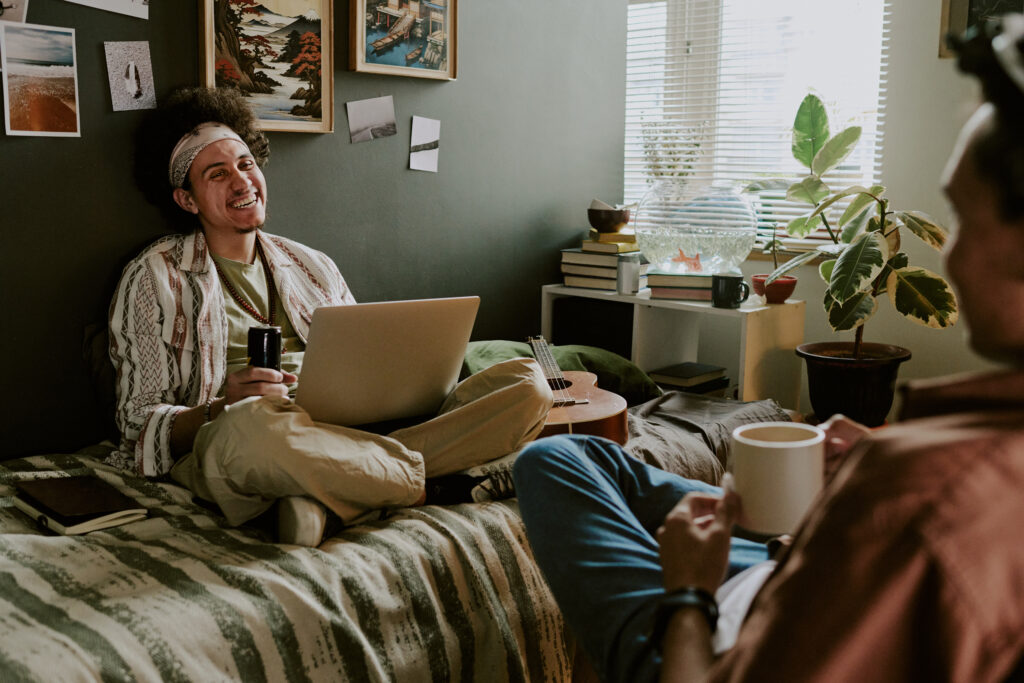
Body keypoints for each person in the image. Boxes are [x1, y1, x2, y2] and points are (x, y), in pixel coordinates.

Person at [513, 16, 1024, 683]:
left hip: (714, 635)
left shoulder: (919, 495)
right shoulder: (946, 467)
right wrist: (871, 464)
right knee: (571, 453)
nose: (949, 252)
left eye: (960, 218)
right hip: (788, 573)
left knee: (549, 462)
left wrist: (689, 591)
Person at [108, 87, 552, 546]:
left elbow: (365, 358)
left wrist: (392, 387)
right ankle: (428, 486)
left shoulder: (312, 264)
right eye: (217, 174)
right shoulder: (154, 276)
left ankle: (336, 493)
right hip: (245, 435)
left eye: (246, 164)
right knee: (253, 428)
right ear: (187, 200)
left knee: (526, 382)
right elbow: (137, 425)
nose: (241, 182)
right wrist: (221, 407)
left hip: (344, 427)